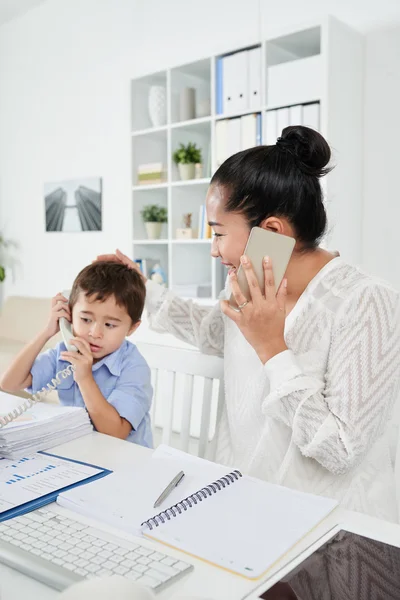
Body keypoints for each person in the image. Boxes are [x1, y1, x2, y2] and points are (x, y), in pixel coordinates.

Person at [98, 126, 400, 522]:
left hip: (333, 529)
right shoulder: (246, 284)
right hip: (244, 503)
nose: (213, 249)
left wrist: (272, 348)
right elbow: (213, 332)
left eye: (219, 233)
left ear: (271, 231)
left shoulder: (367, 302)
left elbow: (340, 450)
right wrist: (143, 290)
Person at [0, 261, 153, 447]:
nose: (95, 333)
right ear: (70, 314)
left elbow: (116, 432)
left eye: (110, 325)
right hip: (78, 452)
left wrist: (85, 378)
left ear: (132, 328)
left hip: (124, 460)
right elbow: (9, 383)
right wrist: (47, 331)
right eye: (86, 319)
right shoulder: (66, 352)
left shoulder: (134, 367)